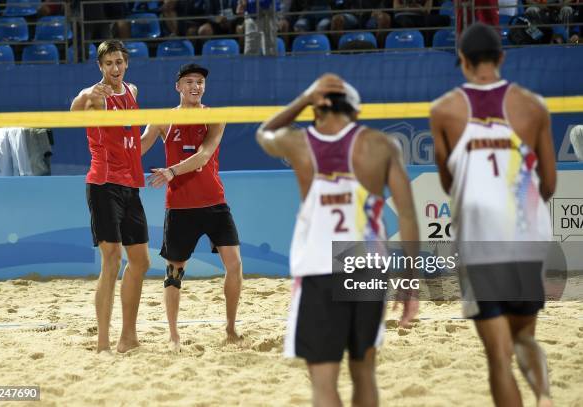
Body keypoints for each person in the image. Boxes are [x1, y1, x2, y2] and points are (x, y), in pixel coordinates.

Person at [256, 74, 419, 406]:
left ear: (317, 109)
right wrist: (411, 276)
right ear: (355, 112)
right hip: (367, 266)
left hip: (319, 268)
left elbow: (263, 132)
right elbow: (407, 214)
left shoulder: (299, 143)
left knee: (324, 381)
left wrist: (303, 98)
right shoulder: (380, 144)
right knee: (364, 371)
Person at [430, 23, 556, 407]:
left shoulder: (444, 111)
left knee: (498, 358)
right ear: (501, 58)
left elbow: (448, 182)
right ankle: (546, 398)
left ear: (464, 62)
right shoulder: (532, 107)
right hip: (526, 238)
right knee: (524, 338)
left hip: (482, 243)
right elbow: (548, 183)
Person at [141, 63, 243, 350]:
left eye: (199, 82)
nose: (195, 86)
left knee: (234, 265)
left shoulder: (214, 117)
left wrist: (171, 171)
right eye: (189, 82)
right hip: (180, 207)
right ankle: (173, 335)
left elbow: (204, 155)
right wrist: (110, 139)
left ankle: (231, 329)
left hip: (214, 203)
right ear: (178, 87)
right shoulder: (163, 118)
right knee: (174, 272)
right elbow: (138, 147)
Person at [70, 40, 150, 354]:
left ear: (126, 64)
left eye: (119, 62)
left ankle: (127, 336)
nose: (114, 68)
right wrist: (87, 98)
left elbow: (133, 141)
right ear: (100, 67)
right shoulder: (94, 96)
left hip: (130, 184)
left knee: (141, 261)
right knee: (112, 259)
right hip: (103, 184)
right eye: (108, 64)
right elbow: (72, 112)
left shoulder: (132, 91)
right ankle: (103, 342)